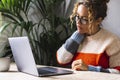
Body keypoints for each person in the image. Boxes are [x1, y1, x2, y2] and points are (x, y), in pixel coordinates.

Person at [56, 0, 120, 74]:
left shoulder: (112, 41)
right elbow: (61, 60)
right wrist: (76, 37)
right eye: (77, 16)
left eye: (84, 19)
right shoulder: (77, 38)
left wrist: (90, 69)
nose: (78, 22)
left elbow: (118, 72)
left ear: (98, 20)